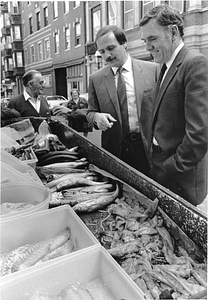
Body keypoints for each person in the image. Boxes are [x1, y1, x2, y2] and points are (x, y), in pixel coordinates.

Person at [139, 5, 208, 205]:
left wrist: (169, 167)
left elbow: (199, 135)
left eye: (152, 39)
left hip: (180, 177)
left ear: (173, 32)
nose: (147, 47)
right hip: (165, 169)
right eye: (145, 41)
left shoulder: (194, 63)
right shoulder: (168, 65)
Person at [86, 25, 159, 176]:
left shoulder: (153, 70)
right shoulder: (95, 79)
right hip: (114, 150)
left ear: (124, 43)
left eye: (111, 48)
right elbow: (90, 112)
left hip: (147, 149)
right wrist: (96, 117)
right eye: (102, 52)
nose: (107, 55)